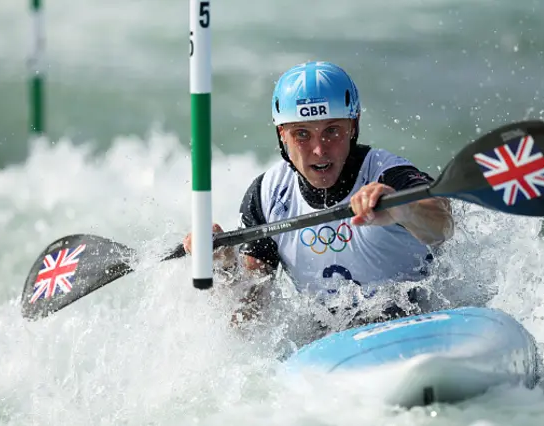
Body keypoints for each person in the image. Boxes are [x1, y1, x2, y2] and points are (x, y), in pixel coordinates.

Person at [184, 61, 454, 326]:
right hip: (331, 345)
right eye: (302, 134)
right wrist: (225, 267)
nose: (319, 150)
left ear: (353, 126)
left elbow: (442, 225)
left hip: (420, 320)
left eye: (332, 131)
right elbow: (247, 316)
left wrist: (403, 209)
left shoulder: (387, 174)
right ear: (282, 136)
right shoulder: (267, 197)